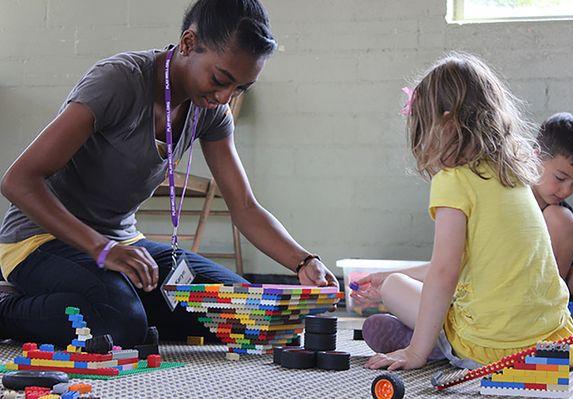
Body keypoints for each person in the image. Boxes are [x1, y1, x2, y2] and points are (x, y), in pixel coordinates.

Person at [0, 0, 338, 348]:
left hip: (122, 245)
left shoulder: (212, 112)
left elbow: (245, 207)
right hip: (39, 242)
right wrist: (101, 248)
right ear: (188, 44)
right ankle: (8, 309)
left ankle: (123, 306)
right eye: (221, 79)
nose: (224, 96)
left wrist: (303, 261)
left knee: (246, 316)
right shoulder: (119, 81)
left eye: (239, 89)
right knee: (119, 325)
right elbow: (18, 180)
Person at [351, 53, 573, 370]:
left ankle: (431, 343)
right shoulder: (514, 174)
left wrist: (416, 352)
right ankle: (431, 338)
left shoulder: (453, 180)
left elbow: (445, 272)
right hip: (550, 339)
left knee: (395, 287)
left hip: (491, 343)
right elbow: (461, 265)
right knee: (407, 285)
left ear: (444, 124)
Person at [532, 113, 573, 306]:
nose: (567, 190)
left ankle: (546, 309)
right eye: (560, 178)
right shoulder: (507, 197)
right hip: (499, 294)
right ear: (536, 157)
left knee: (561, 219)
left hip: (541, 304)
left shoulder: (562, 213)